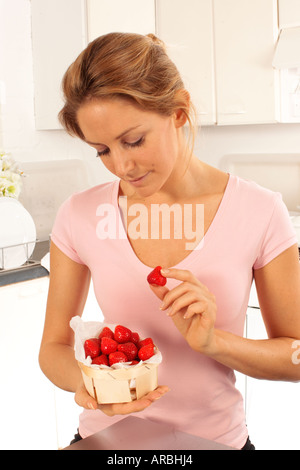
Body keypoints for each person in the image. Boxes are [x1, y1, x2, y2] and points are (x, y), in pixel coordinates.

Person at [39, 32, 300, 451]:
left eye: (134, 140)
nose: (122, 166)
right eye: (102, 150)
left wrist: (215, 343)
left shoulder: (260, 211)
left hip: (213, 442)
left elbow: (296, 356)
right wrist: (93, 386)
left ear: (178, 112)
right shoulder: (79, 214)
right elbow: (53, 348)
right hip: (105, 439)